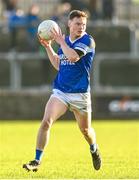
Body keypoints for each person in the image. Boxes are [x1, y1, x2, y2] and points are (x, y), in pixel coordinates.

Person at [23, 10, 101, 172]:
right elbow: (60, 64)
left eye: (84, 24)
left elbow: (73, 57)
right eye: (78, 24)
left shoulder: (87, 41)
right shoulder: (64, 41)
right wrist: (49, 47)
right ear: (69, 24)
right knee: (46, 122)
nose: (81, 27)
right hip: (61, 92)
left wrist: (60, 41)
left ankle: (94, 148)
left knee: (86, 131)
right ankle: (37, 161)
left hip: (80, 94)